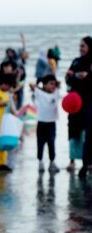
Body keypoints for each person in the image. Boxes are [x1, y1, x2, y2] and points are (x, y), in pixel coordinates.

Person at [66, 36, 92, 177]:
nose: (80, 48)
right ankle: (72, 161)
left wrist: (84, 75)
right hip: (75, 101)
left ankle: (86, 163)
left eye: (83, 46)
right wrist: (72, 75)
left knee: (88, 132)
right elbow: (68, 78)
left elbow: (86, 76)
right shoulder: (76, 61)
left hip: (89, 101)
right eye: (80, 46)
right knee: (73, 130)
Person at [30, 75, 61, 173]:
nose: (53, 86)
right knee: (40, 144)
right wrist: (40, 85)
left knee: (51, 143)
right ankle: (40, 162)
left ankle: (52, 162)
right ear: (44, 85)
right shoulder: (39, 93)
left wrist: (57, 85)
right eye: (51, 84)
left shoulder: (56, 93)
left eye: (54, 84)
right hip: (41, 123)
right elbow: (31, 85)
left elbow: (59, 85)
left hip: (52, 123)